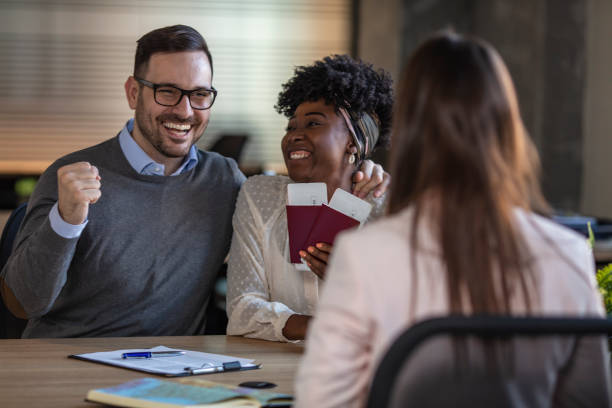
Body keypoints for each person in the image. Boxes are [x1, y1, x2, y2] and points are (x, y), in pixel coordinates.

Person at [0, 25, 386, 338]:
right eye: (167, 92)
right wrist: (65, 222)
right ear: (134, 92)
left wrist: (363, 173)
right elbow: (22, 304)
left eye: (199, 94)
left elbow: (292, 201)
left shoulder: (224, 180)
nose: (185, 111)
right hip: (65, 365)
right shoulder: (71, 174)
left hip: (175, 371)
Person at [295, 32, 612, 407]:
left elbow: (322, 402)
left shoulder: (364, 257)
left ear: (409, 136)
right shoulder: (569, 255)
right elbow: (589, 400)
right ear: (509, 131)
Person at [226, 55, 393, 342]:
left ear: (353, 142)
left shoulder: (388, 210)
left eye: (313, 124)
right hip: (273, 368)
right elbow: (242, 310)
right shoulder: (260, 197)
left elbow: (401, 321)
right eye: (291, 127)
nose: (294, 136)